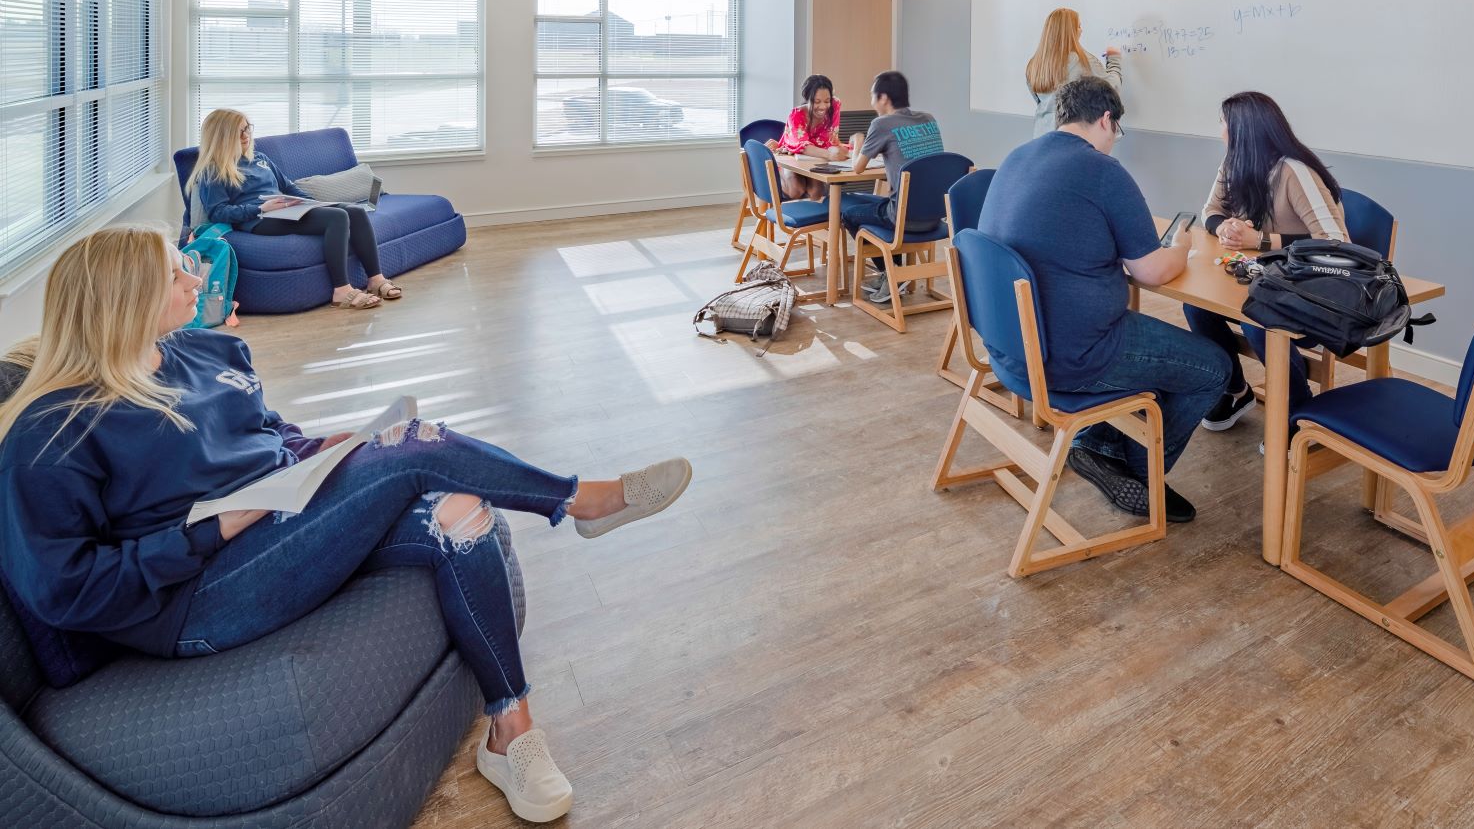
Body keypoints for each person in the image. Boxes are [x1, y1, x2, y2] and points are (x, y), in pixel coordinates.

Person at [0, 226, 693, 824]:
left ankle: (510, 734)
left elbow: (269, 437)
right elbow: (66, 593)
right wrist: (213, 531)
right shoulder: (53, 431)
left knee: (460, 515)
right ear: (124, 299)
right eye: (175, 271)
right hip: (192, 596)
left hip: (277, 524)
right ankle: (578, 501)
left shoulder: (211, 353)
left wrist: (318, 450)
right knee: (412, 449)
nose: (195, 274)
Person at [978, 77, 1231, 521]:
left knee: (1161, 359)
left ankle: (1099, 446)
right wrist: (1180, 247)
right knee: (1214, 368)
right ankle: (1136, 471)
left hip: (1011, 349)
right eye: (1117, 130)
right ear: (1106, 120)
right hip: (1075, 355)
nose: (1114, 141)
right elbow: (1148, 270)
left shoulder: (1016, 158)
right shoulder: (1101, 170)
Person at [1185, 91, 1348, 432]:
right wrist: (1226, 227)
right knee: (1195, 306)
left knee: (1256, 321)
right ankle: (1235, 390)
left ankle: (1298, 411)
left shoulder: (1294, 172)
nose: (1220, 132)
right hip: (1264, 280)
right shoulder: (1234, 163)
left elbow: (1336, 243)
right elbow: (1209, 212)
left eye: (1223, 124)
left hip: (1309, 290)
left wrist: (1259, 240)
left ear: (1243, 131)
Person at [189, 108, 398, 311]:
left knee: (356, 211)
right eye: (239, 131)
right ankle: (341, 291)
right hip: (259, 220)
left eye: (247, 128)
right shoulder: (213, 171)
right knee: (338, 217)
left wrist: (311, 203)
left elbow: (288, 186)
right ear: (223, 136)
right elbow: (219, 212)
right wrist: (260, 207)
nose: (246, 135)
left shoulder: (260, 158)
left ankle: (375, 279)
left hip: (284, 210)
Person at [842, 71, 945, 305]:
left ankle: (893, 273)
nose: (871, 102)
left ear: (883, 98)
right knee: (873, 202)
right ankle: (894, 274)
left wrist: (858, 140)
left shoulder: (881, 124)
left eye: (872, 96)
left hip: (903, 217)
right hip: (935, 216)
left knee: (848, 214)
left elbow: (857, 168)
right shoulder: (928, 119)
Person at [1025, 7, 1123, 136]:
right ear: (1070, 31)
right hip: (1072, 137)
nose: (1081, 30)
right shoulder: (1083, 60)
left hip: (1042, 134)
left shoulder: (1034, 63)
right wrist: (1114, 59)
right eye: (1078, 26)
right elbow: (1111, 88)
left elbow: (1038, 100)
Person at [767, 74, 848, 201]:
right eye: (817, 101)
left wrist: (836, 150)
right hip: (792, 156)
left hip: (817, 157)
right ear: (807, 98)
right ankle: (772, 179)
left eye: (827, 101)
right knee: (796, 190)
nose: (823, 107)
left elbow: (831, 138)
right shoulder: (796, 114)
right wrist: (830, 154)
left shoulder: (835, 105)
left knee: (817, 191)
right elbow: (802, 146)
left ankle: (812, 220)